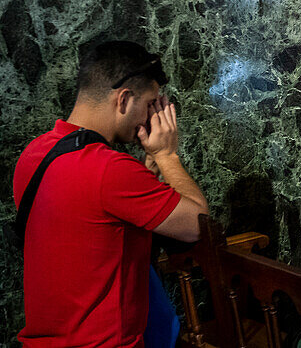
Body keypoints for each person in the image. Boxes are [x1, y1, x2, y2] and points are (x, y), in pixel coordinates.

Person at [13, 41, 209, 347]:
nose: (149, 119)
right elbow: (196, 224)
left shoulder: (33, 154)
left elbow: (88, 229)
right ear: (124, 99)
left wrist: (146, 175)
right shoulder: (110, 169)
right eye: (149, 105)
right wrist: (167, 155)